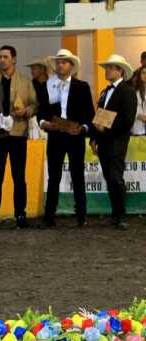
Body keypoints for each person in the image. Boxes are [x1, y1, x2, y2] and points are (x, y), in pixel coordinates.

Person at [0, 45, 38, 231]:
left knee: (19, 176)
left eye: (5, 56)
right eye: (0, 56)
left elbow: (35, 105)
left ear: (14, 59)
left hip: (17, 134)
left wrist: (26, 111)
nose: (2, 59)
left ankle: (20, 214)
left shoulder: (25, 81)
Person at [39, 49, 95, 228]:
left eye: (64, 62)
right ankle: (49, 216)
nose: (60, 65)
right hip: (55, 135)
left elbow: (89, 114)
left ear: (71, 66)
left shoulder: (82, 87)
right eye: (58, 62)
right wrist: (44, 124)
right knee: (53, 176)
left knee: (78, 176)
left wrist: (82, 129)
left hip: (74, 137)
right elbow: (42, 113)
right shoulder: (47, 86)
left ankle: (81, 215)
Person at [90, 54, 138, 230]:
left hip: (117, 141)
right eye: (107, 67)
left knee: (115, 177)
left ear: (120, 71)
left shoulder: (127, 91)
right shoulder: (104, 92)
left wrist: (106, 130)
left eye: (110, 67)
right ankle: (116, 214)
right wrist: (94, 138)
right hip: (104, 141)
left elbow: (127, 119)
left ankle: (119, 214)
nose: (107, 70)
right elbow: (99, 117)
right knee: (110, 177)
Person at [131, 65, 146, 136]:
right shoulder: (135, 92)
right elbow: (132, 111)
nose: (145, 75)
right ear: (139, 75)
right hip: (138, 129)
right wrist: (141, 117)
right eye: (143, 73)